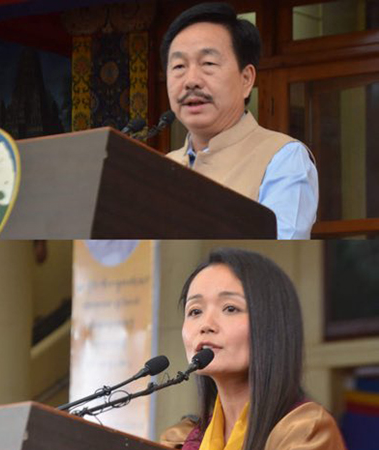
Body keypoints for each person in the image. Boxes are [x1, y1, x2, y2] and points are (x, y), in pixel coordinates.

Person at [160, 248, 346, 450]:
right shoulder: (183, 439)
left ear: (273, 324)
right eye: (195, 311)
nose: (206, 325)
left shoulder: (305, 430)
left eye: (230, 308)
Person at [161, 3, 318, 239]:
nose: (191, 80)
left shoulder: (283, 158)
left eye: (208, 64)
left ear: (246, 79)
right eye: (179, 66)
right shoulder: (160, 167)